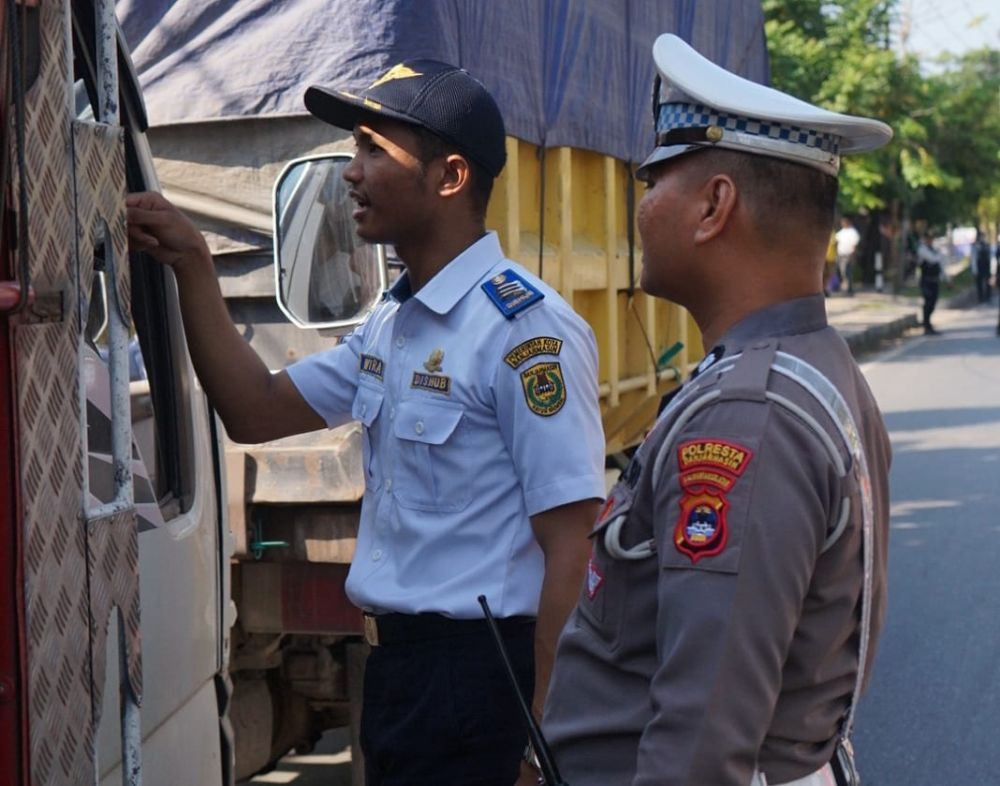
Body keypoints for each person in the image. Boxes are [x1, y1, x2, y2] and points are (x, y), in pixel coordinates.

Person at [126, 60, 605, 786]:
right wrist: (194, 264)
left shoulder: (524, 331)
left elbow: (571, 548)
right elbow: (254, 409)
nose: (351, 172)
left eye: (375, 150)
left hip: (482, 683)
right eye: (355, 150)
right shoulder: (396, 321)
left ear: (449, 178)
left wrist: (545, 741)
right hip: (397, 675)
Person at [542, 33, 893, 786]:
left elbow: (699, 748)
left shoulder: (747, 414)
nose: (641, 209)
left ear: (714, 205)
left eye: (653, 180)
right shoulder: (812, 364)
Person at [917, 232, 948, 335]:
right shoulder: (922, 249)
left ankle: (928, 324)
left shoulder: (935, 250)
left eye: (931, 239)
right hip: (926, 281)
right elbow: (933, 259)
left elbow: (941, 264)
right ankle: (926, 326)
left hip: (935, 281)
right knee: (928, 303)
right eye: (928, 238)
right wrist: (940, 256)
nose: (930, 240)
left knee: (933, 304)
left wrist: (946, 279)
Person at [834, 215, 861, 295]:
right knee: (839, 271)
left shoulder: (853, 232)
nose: (843, 223)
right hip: (840, 254)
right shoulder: (841, 232)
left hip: (848, 254)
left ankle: (850, 288)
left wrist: (853, 255)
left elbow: (854, 245)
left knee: (847, 272)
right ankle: (841, 286)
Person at [972, 229, 991, 304]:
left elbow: (990, 256)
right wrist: (974, 270)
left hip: (986, 265)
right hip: (979, 265)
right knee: (979, 283)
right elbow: (974, 258)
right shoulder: (975, 246)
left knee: (988, 282)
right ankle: (981, 297)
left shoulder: (986, 245)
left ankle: (988, 296)